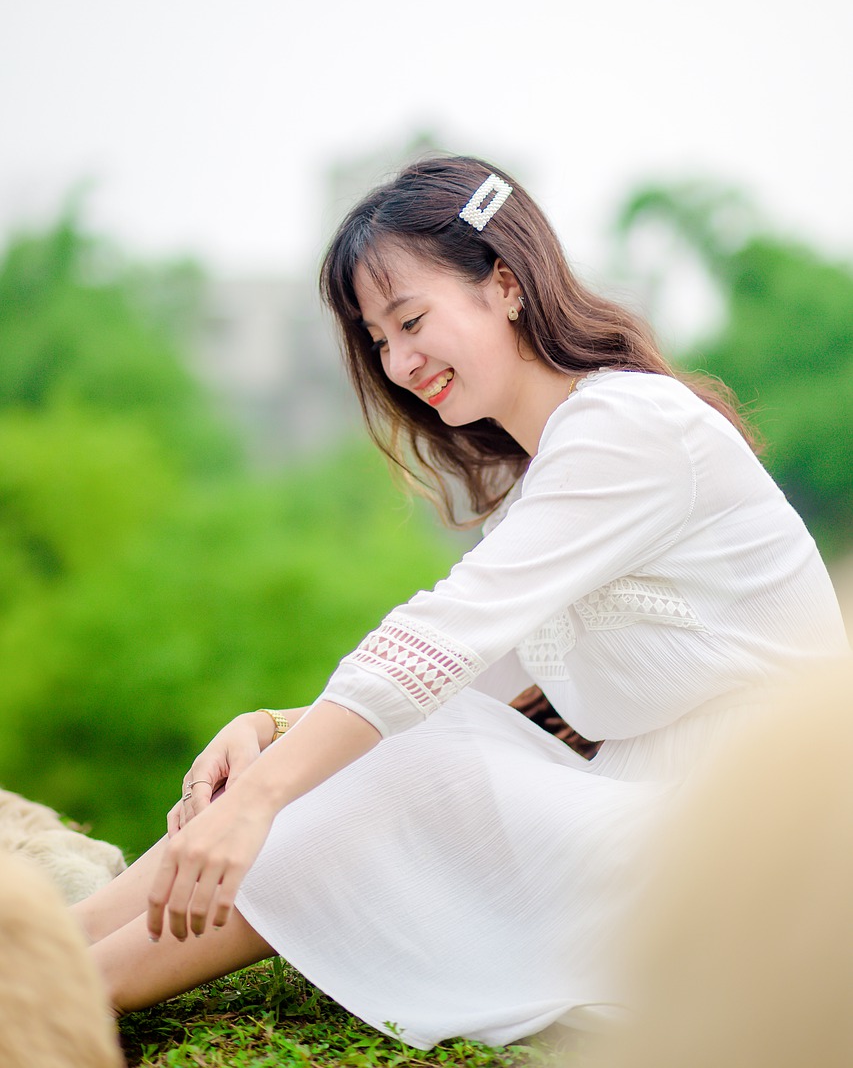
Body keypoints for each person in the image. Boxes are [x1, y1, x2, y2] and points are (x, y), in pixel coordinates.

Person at [72, 155, 849, 1050]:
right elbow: (463, 687)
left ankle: (63, 987)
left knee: (423, 758)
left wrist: (259, 802)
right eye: (377, 341)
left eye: (410, 320)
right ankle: (51, 950)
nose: (400, 363)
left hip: (760, 851)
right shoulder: (557, 471)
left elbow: (438, 642)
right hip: (678, 833)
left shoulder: (628, 429)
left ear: (507, 285)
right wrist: (272, 733)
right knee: (392, 745)